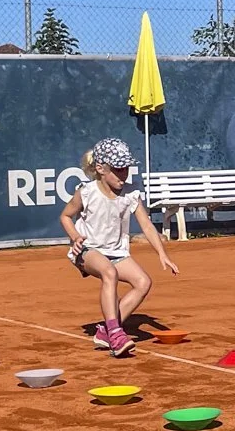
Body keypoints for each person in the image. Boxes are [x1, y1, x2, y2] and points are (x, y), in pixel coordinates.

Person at [59, 136, 177, 357]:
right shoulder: (86, 191)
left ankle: (106, 331)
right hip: (87, 251)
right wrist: (75, 237)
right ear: (101, 169)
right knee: (109, 272)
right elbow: (66, 216)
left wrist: (163, 254)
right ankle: (115, 332)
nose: (124, 174)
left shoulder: (131, 193)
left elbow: (146, 225)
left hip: (117, 252)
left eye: (126, 169)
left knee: (143, 282)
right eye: (118, 169)